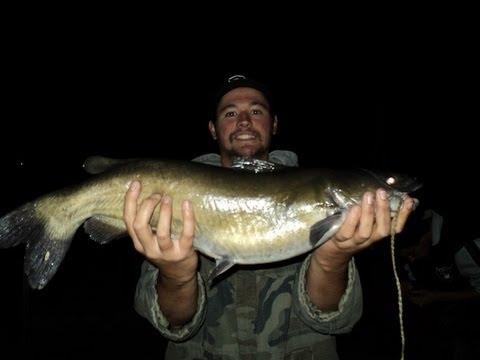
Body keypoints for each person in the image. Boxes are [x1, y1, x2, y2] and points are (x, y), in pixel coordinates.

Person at [123, 74, 416, 359]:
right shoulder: (170, 194)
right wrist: (176, 276)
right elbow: (173, 325)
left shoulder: (322, 197)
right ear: (213, 129)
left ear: (274, 123)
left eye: (255, 110)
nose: (244, 121)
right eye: (230, 113)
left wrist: (332, 258)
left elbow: (332, 320)